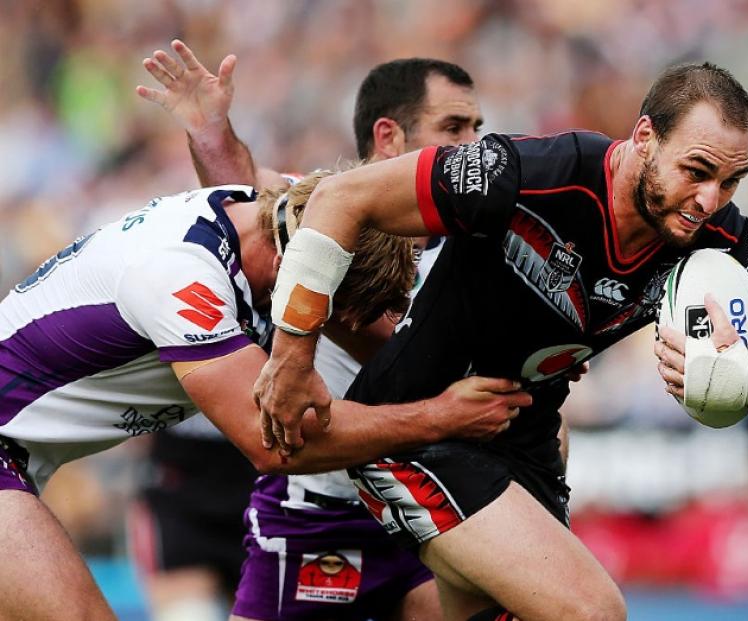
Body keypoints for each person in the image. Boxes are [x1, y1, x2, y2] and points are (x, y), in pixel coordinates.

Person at [255, 61, 748, 620]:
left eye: (732, 182)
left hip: (524, 454)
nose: (709, 200)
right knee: (593, 612)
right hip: (416, 437)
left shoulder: (720, 241)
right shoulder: (526, 174)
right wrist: (291, 356)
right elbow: (339, 199)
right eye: (696, 172)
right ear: (644, 138)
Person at [0, 169, 531, 621]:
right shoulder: (183, 278)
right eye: (326, 317)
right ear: (297, 273)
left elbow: (376, 327)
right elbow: (276, 444)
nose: (318, 333)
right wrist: (442, 418)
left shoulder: (284, 218)